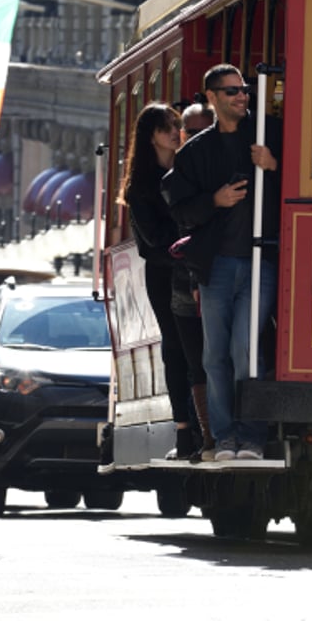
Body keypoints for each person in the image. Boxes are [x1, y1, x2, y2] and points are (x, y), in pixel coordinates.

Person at [162, 64, 283, 462]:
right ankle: (224, 437)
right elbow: (177, 205)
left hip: (261, 261)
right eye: (230, 91)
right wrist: (215, 201)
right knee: (215, 355)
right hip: (216, 266)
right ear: (211, 97)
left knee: (247, 351)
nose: (240, 96)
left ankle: (251, 438)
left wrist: (274, 166)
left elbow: (307, 183)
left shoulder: (270, 134)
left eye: (244, 89)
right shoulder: (196, 151)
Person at [119, 102, 199, 459]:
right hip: (165, 274)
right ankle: (183, 428)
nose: (174, 132)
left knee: (201, 348)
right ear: (151, 136)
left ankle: (203, 425)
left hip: (196, 267)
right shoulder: (140, 187)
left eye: (177, 125)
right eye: (167, 127)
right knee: (176, 347)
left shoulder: (189, 170)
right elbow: (153, 241)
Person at [171, 101, 216, 457]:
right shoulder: (177, 175)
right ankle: (207, 433)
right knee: (196, 361)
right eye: (194, 132)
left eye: (207, 130)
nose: (200, 139)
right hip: (186, 284)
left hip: (219, 276)